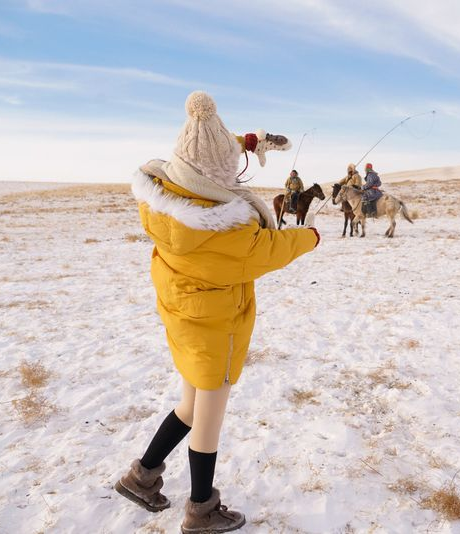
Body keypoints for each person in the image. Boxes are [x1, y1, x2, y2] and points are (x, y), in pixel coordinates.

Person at [117, 91, 320, 533]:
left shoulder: (167, 201)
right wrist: (310, 236)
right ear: (214, 177)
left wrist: (250, 141)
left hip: (186, 319)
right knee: (208, 416)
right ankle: (202, 508)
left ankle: (141, 477)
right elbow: (268, 249)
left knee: (189, 406)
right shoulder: (224, 232)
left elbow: (209, 151)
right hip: (214, 325)